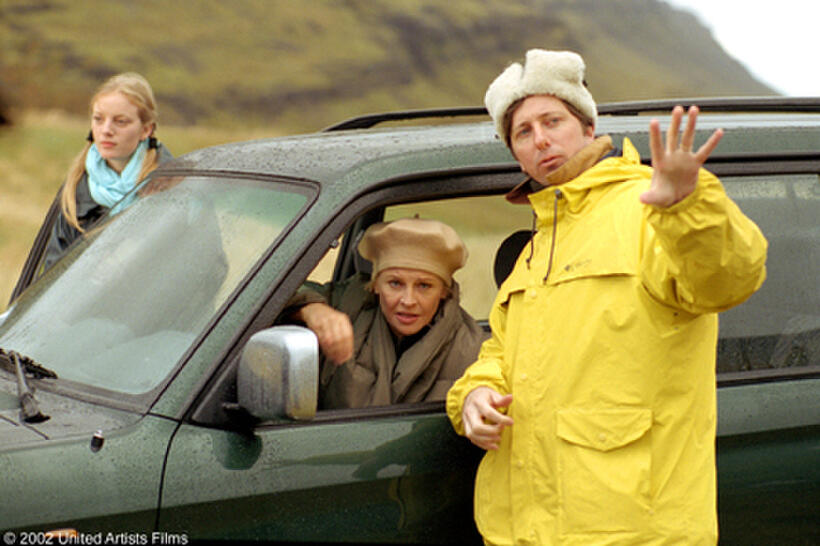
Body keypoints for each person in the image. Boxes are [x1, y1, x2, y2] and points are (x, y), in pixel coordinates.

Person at [446, 49, 768, 545]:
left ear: (588, 126)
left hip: (634, 530)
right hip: (525, 530)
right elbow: (502, 352)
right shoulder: (537, 248)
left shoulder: (647, 208)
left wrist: (689, 208)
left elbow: (728, 280)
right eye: (522, 132)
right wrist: (475, 395)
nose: (540, 139)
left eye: (552, 121)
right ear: (515, 154)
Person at [285, 217, 487, 409]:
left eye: (424, 286)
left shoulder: (475, 351)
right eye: (395, 283)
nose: (408, 301)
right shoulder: (348, 302)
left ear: (444, 291)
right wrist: (312, 309)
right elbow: (279, 292)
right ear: (375, 285)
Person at [41, 72, 172, 271]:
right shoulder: (75, 189)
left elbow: (204, 268)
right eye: (98, 119)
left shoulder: (175, 187)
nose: (106, 130)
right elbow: (53, 275)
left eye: (121, 121)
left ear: (146, 130)